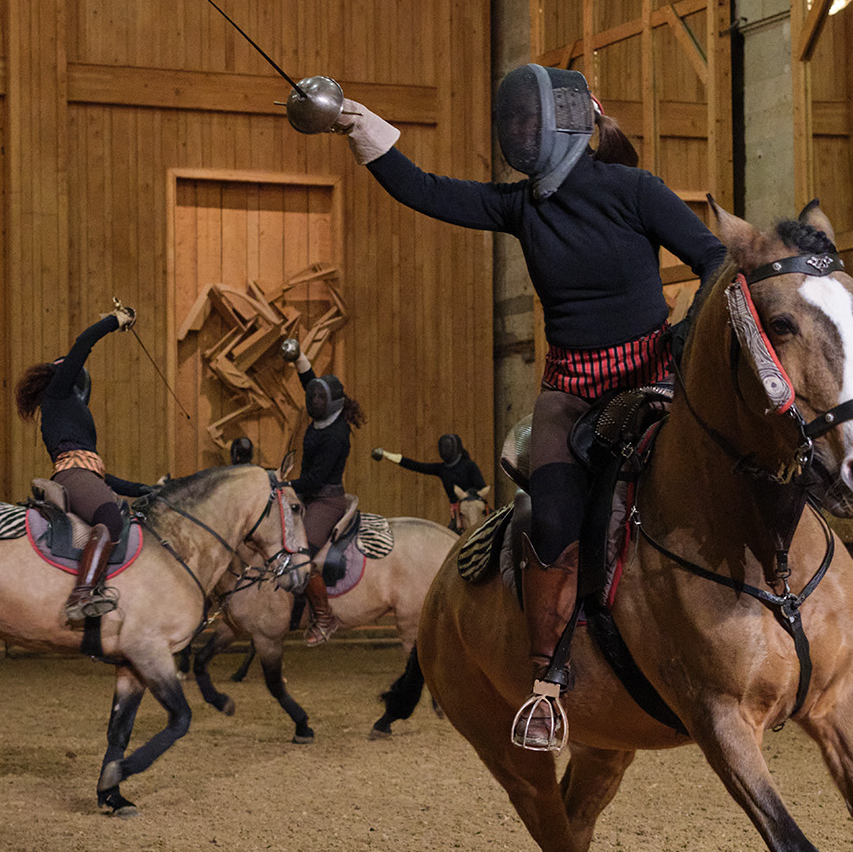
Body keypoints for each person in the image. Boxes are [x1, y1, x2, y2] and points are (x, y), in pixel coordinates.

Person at [333, 65, 726, 750]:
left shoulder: (635, 190)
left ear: (569, 120)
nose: (517, 132)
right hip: (570, 390)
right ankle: (548, 683)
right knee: (551, 518)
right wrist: (361, 129)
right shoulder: (522, 206)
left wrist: (689, 334)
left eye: (527, 119)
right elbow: (424, 190)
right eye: (510, 121)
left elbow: (716, 261)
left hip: (653, 377)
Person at [15, 310, 154, 625]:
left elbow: (101, 474)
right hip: (72, 476)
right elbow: (83, 344)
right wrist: (113, 321)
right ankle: (82, 594)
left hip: (83, 475)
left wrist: (145, 489)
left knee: (121, 512)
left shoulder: (67, 413)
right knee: (109, 518)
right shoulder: (58, 394)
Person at [279, 337, 362, 644]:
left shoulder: (337, 435)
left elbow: (314, 481)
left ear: (331, 403)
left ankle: (325, 618)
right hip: (307, 493)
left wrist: (283, 485)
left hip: (326, 499)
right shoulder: (323, 406)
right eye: (311, 396)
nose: (312, 400)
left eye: (317, 398)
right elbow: (308, 379)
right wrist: (298, 356)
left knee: (303, 557)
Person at [373, 433, 491, 530]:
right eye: (443, 447)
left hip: (474, 511)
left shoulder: (469, 466)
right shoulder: (442, 469)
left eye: (447, 447)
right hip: (458, 515)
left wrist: (466, 499)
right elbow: (416, 466)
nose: (445, 450)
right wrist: (385, 454)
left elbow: (480, 488)